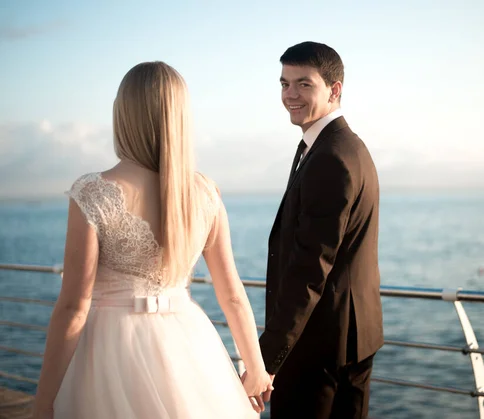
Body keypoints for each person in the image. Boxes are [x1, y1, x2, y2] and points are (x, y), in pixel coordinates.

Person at [32, 61, 272, 419]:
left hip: (111, 352)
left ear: (124, 114)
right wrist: (255, 367)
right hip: (188, 346)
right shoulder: (205, 194)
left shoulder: (94, 193)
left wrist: (43, 403)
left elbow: (73, 307)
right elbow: (232, 293)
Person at [258, 41, 384, 418]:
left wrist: (266, 359)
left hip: (320, 350)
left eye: (303, 84)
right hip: (345, 340)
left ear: (335, 90)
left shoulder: (331, 156)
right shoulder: (338, 146)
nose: (289, 95)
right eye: (284, 84)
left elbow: (311, 268)